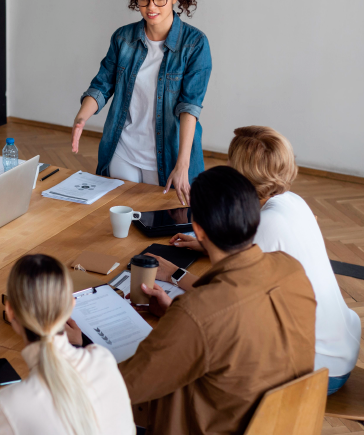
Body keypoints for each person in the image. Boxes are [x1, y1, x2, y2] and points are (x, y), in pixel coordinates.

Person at [159, 126, 361, 395]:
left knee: (204, 359)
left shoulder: (268, 223)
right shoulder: (291, 201)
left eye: (231, 162)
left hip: (320, 368)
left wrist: (172, 273)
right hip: (341, 344)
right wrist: (208, 243)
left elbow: (221, 297)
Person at [119, 166, 316, 435]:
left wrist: (78, 349)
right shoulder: (291, 269)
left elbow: (127, 386)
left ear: (197, 230)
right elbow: (242, 330)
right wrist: (174, 317)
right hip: (288, 423)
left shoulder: (198, 312)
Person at [71, 0, 211, 206]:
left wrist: (182, 165)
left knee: (162, 229)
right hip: (122, 151)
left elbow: (189, 108)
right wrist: (81, 117)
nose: (151, 7)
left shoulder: (195, 44)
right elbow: (102, 85)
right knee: (117, 224)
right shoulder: (123, 38)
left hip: (169, 156)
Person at [0, 254, 135, 435]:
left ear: (10, 311)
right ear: (71, 306)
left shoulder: (12, 404)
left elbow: (32, 409)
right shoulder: (103, 359)